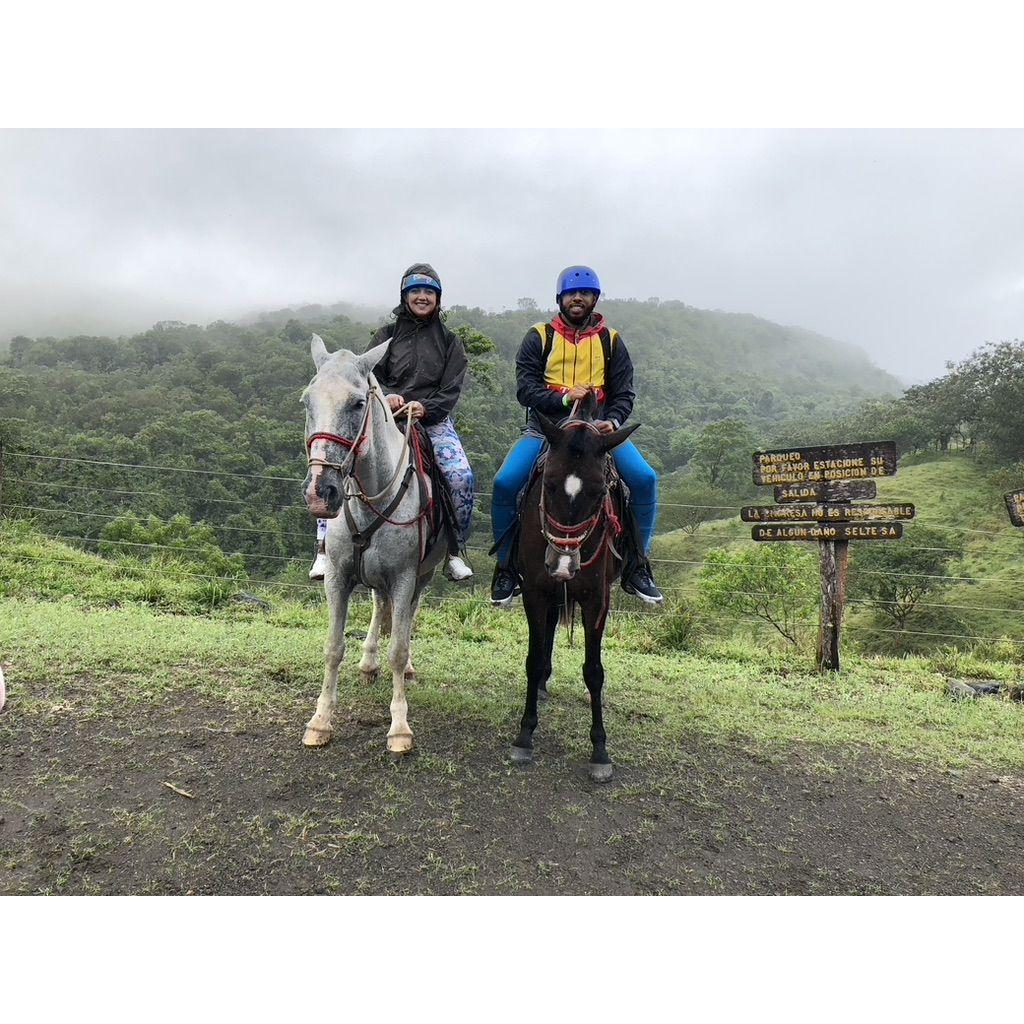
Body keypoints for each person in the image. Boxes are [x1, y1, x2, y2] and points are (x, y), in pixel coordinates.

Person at [490, 265, 663, 605]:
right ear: (560, 298)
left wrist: (613, 421)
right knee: (505, 483)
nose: (578, 298)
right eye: (571, 293)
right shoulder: (540, 336)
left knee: (644, 479)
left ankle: (637, 564)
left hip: (596, 432)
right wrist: (565, 397)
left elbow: (624, 393)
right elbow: (526, 389)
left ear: (594, 299)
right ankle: (506, 567)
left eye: (585, 293)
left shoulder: (610, 340)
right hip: (547, 430)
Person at [310, 263, 475, 582]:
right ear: (405, 295)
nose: (423, 297)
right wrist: (388, 397)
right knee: (337, 458)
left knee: (461, 477)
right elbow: (367, 377)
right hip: (385, 418)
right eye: (416, 291)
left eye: (429, 292)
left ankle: (454, 550)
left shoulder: (450, 341)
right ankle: (323, 546)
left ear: (438, 298)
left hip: (432, 422)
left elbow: (452, 386)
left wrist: (425, 407)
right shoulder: (385, 336)